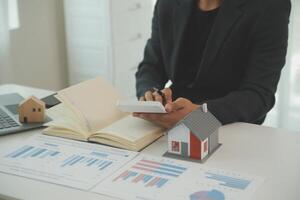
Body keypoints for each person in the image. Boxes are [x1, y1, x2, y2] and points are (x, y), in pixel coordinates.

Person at [134, 0, 291, 129]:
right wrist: (151, 96)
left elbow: (260, 94)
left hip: (230, 122)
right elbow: (151, 65)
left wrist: (199, 116)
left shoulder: (271, 5)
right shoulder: (168, 3)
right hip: (171, 117)